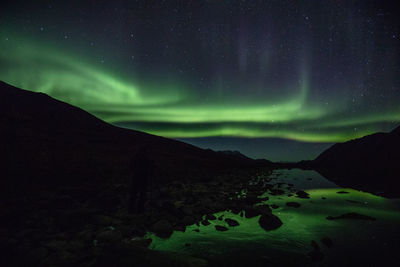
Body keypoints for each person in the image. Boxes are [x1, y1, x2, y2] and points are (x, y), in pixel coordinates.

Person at [128, 148, 152, 213]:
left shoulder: (135, 157)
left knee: (134, 193)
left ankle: (131, 209)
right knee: (142, 194)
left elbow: (130, 166)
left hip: (136, 177)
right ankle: (140, 209)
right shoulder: (146, 158)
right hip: (143, 178)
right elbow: (150, 168)